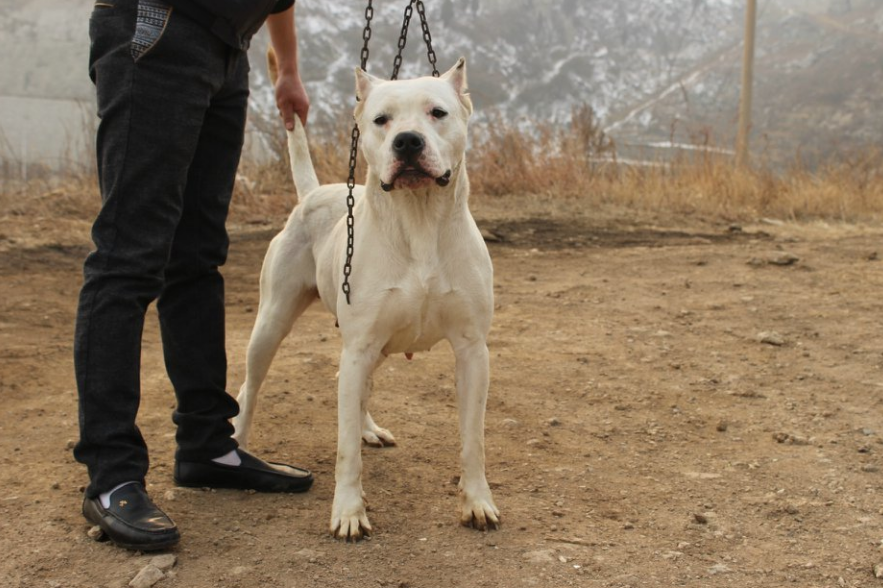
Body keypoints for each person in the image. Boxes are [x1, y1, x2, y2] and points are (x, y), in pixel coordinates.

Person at [74, 0, 312, 551]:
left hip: (230, 47)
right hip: (160, 26)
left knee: (198, 256)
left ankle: (208, 445)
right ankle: (112, 475)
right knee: (127, 256)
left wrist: (291, 69)